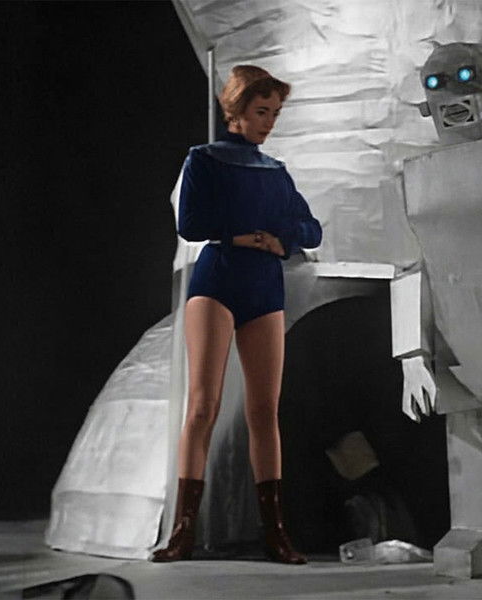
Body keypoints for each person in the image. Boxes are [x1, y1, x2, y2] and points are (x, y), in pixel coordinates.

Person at [151, 65, 322, 564]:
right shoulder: (203, 160)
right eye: (260, 111)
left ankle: (276, 532)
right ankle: (183, 530)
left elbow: (311, 228)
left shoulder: (276, 171)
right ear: (235, 111)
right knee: (202, 406)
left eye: (274, 113)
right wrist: (241, 234)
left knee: (264, 411)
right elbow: (189, 223)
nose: (268, 122)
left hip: (263, 286)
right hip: (218, 280)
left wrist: (281, 240)